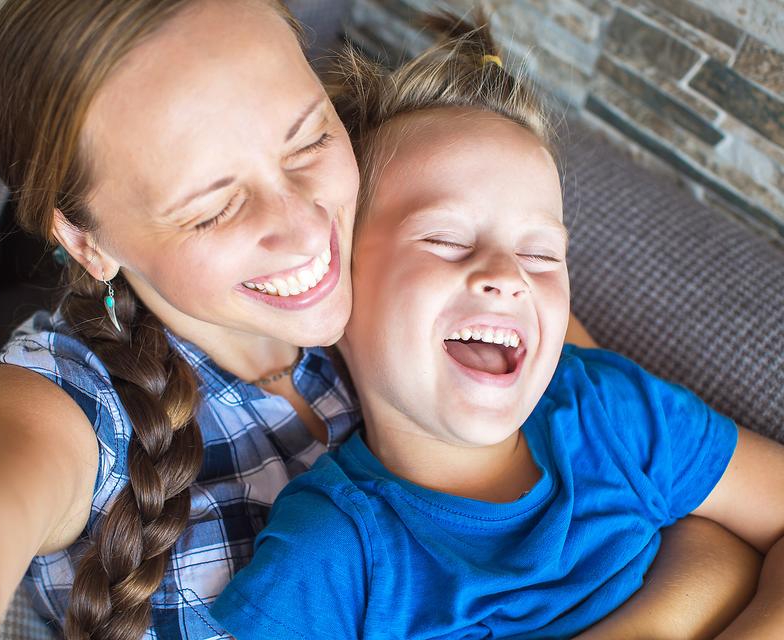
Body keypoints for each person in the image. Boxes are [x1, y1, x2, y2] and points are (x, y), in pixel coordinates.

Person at [0, 2, 761, 639]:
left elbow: (660, 482)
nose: (304, 224)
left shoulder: (416, 248)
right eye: (211, 205)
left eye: (309, 136)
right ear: (87, 239)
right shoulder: (55, 409)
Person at [210, 14, 784, 639]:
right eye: (446, 239)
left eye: (540, 255)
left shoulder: (610, 411)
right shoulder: (331, 555)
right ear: (336, 283)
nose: (507, 275)